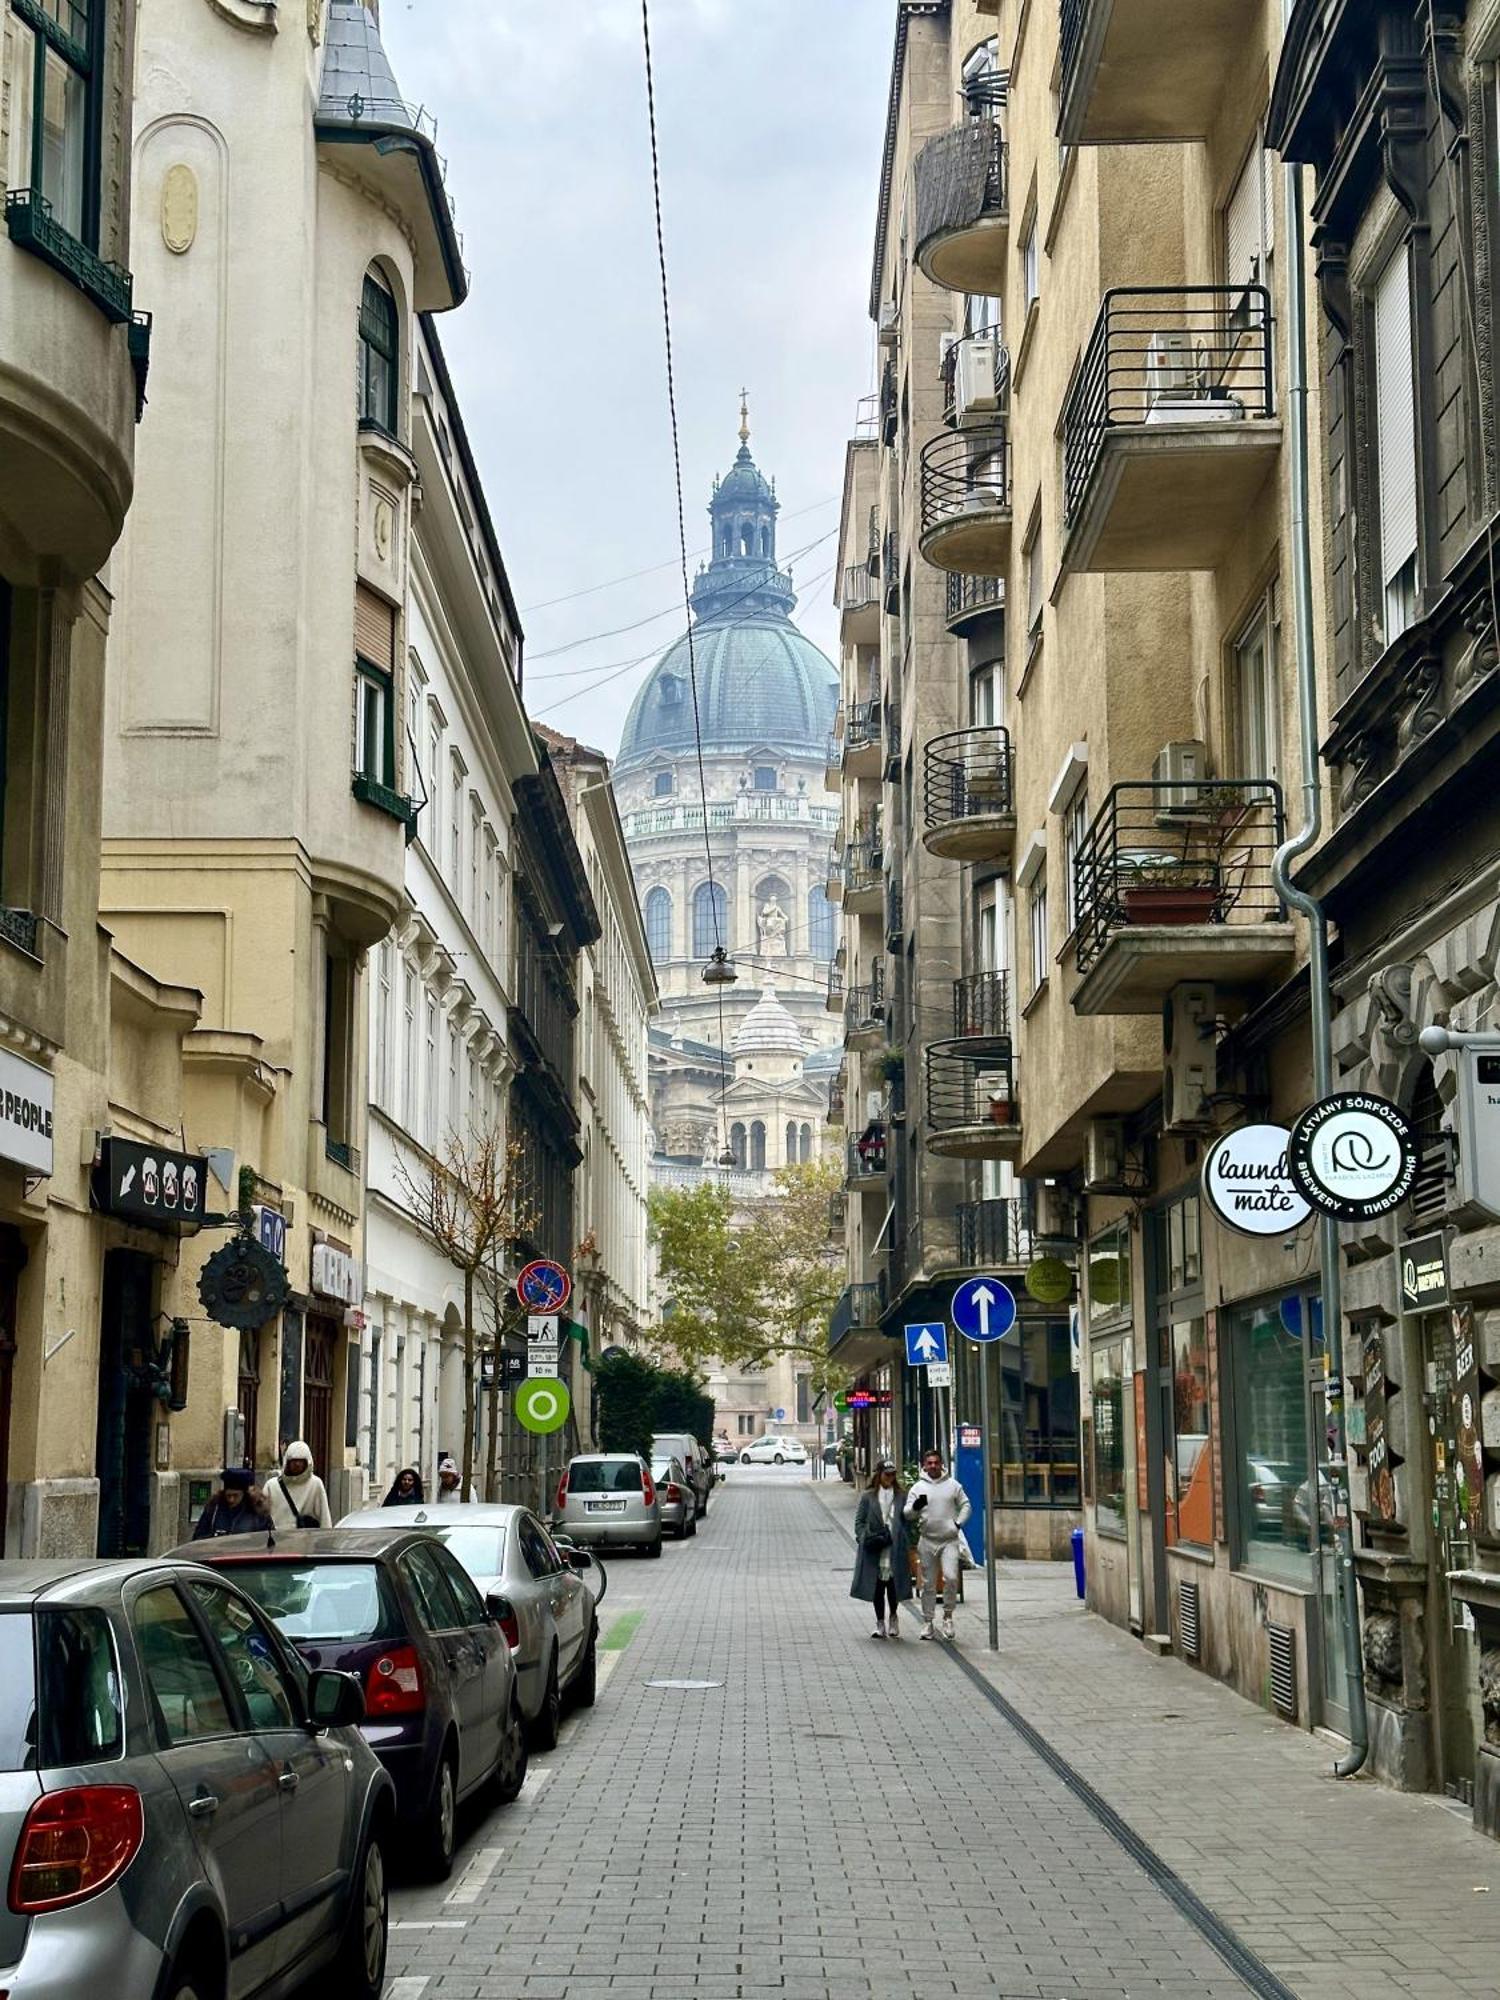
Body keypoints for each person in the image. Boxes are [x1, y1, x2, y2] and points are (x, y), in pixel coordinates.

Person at [905, 1448, 972, 1641]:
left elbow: (966, 1505)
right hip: (927, 1540)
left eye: (936, 1462)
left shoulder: (953, 1485)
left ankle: (948, 1617)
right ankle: (928, 1621)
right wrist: (916, 1507)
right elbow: (907, 1513)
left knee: (951, 1578)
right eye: (929, 1463)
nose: (933, 1466)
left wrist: (957, 1524)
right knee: (928, 1583)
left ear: (941, 1464)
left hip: (949, 1540)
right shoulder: (917, 1488)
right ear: (924, 1466)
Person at [850, 1460, 913, 1639]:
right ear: (879, 1475)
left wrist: (903, 1537)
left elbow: (908, 1520)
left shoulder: (902, 1495)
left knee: (893, 1585)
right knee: (877, 1586)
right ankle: (879, 1622)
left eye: (893, 1475)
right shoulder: (868, 1496)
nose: (890, 1478)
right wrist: (864, 1537)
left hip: (895, 1546)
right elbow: (859, 1521)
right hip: (875, 1547)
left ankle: (893, 1617)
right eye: (887, 1474)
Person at [265, 1441, 332, 1531]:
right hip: (278, 1540)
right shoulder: (272, 1485)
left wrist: (325, 1540)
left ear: (307, 1463)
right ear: (287, 1462)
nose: (297, 1464)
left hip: (305, 1541)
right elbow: (261, 1516)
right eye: (294, 1461)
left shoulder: (315, 1484)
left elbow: (324, 1518)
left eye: (300, 1461)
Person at [193, 1467, 271, 1540]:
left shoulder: (257, 1511)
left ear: (244, 1494)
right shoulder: (214, 1509)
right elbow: (199, 1538)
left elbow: (266, 1540)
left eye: (235, 1496)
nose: (231, 1500)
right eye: (228, 1495)